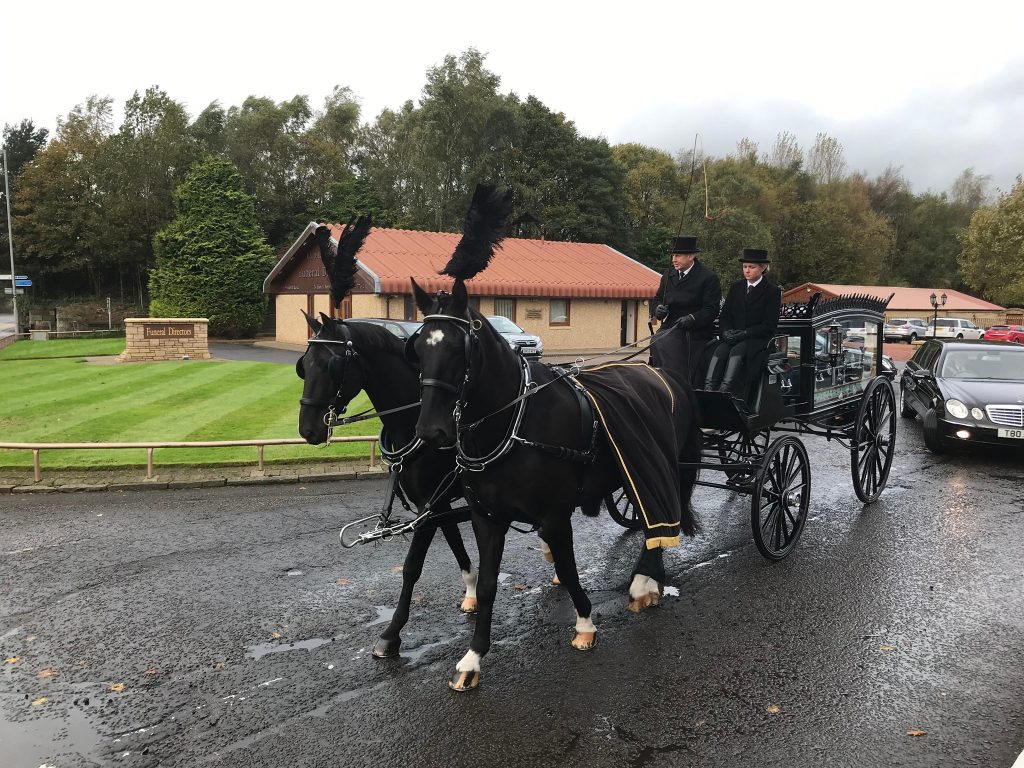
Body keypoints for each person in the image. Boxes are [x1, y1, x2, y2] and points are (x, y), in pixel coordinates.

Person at [704, 248, 782, 398]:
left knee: (737, 351)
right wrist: (726, 331)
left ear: (763, 268)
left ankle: (725, 392)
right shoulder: (736, 287)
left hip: (757, 340)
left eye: (751, 267)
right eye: (745, 267)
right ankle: (708, 391)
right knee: (719, 351)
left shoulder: (772, 292)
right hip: (735, 336)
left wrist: (745, 333)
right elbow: (725, 316)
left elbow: (769, 325)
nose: (747, 270)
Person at [650, 235, 722, 389]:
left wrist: (692, 318)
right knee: (657, 340)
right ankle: (661, 381)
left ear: (691, 256)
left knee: (667, 342)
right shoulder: (668, 275)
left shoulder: (708, 277)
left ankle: (678, 385)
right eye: (673, 256)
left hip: (695, 330)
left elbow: (712, 309)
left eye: (678, 256)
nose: (674, 260)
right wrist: (658, 310)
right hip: (671, 325)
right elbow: (657, 299)